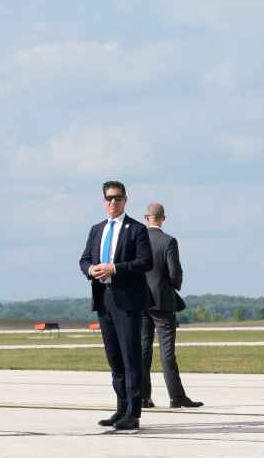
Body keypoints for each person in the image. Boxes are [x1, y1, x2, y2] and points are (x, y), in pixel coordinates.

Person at [79, 181, 153, 430]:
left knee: (131, 357)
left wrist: (114, 268)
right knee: (114, 358)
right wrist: (91, 269)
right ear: (103, 201)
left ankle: (134, 413)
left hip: (128, 300)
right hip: (104, 299)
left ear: (125, 200)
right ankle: (121, 408)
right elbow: (84, 258)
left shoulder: (137, 230)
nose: (113, 202)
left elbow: (145, 262)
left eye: (118, 198)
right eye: (109, 198)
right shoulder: (96, 230)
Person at [141, 203, 203, 409]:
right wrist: (173, 287)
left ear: (146, 217)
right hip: (163, 302)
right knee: (167, 352)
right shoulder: (168, 241)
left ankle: (143, 397)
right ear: (163, 218)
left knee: (143, 350)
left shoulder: (136, 242)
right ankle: (176, 397)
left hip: (141, 301)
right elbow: (175, 272)